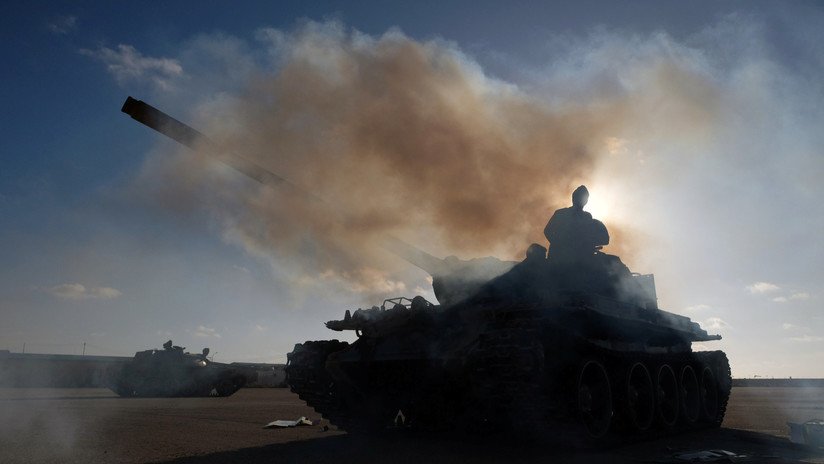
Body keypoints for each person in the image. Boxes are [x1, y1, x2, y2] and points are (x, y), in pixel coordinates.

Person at [544, 185, 609, 263]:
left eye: (584, 198)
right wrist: (561, 245)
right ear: (573, 198)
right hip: (559, 258)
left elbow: (587, 237)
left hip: (578, 258)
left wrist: (588, 246)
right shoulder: (561, 213)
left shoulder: (587, 217)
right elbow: (547, 231)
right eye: (580, 197)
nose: (582, 200)